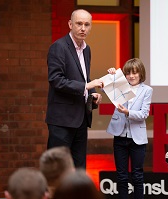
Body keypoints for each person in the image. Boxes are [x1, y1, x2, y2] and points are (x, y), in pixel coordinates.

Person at [45, 9, 103, 169]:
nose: (83, 28)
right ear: (70, 24)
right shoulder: (58, 47)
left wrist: (92, 93)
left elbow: (84, 78)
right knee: (57, 169)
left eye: (87, 24)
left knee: (79, 169)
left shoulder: (87, 49)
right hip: (62, 120)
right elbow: (56, 80)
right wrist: (86, 86)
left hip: (81, 118)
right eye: (79, 23)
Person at [106, 58, 153, 199]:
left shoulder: (147, 90)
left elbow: (144, 114)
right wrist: (112, 76)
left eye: (135, 73)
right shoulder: (121, 85)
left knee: (137, 175)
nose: (131, 76)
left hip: (137, 139)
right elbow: (103, 88)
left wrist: (128, 113)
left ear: (141, 73)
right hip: (120, 136)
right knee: (121, 176)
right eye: (128, 73)